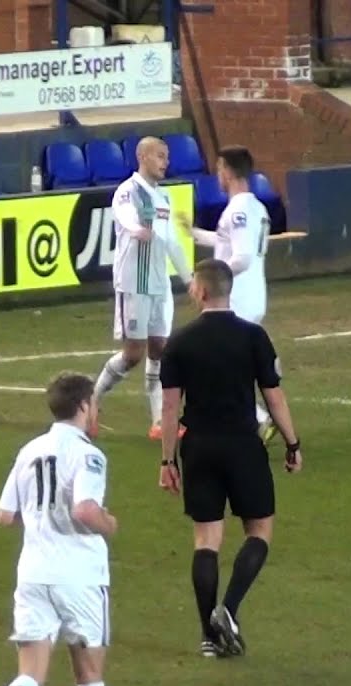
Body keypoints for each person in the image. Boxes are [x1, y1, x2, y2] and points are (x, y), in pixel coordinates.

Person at [157, 259, 302, 659]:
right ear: (227, 290)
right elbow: (274, 396)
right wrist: (292, 442)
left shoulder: (180, 341)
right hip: (242, 445)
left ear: (202, 291)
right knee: (259, 531)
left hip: (199, 447)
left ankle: (208, 635)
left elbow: (170, 408)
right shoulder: (254, 336)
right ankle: (230, 609)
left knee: (206, 541)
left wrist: (167, 461)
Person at [0, 372, 117, 686]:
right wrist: (108, 523)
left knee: (29, 675)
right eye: (94, 403)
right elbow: (85, 509)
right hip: (80, 577)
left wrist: (38, 518)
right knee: (89, 677)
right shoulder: (87, 454)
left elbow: (5, 514)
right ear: (83, 405)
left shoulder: (30, 450)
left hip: (34, 574)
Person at [93, 135, 193, 440]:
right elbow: (124, 218)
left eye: (167, 156)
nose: (166, 162)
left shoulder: (163, 197)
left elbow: (172, 240)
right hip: (133, 281)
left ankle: (159, 422)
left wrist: (189, 278)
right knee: (133, 354)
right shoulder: (128, 191)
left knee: (160, 349)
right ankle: (92, 402)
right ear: (143, 157)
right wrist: (137, 229)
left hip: (159, 284)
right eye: (160, 156)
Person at [175, 145, 275, 442]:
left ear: (229, 172)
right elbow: (226, 242)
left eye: (219, 169)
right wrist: (192, 232)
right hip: (254, 293)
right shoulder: (256, 207)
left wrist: (210, 280)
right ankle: (259, 414)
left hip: (237, 297)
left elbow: (241, 257)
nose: (217, 175)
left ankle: (260, 417)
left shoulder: (239, 210)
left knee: (219, 360)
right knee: (232, 360)